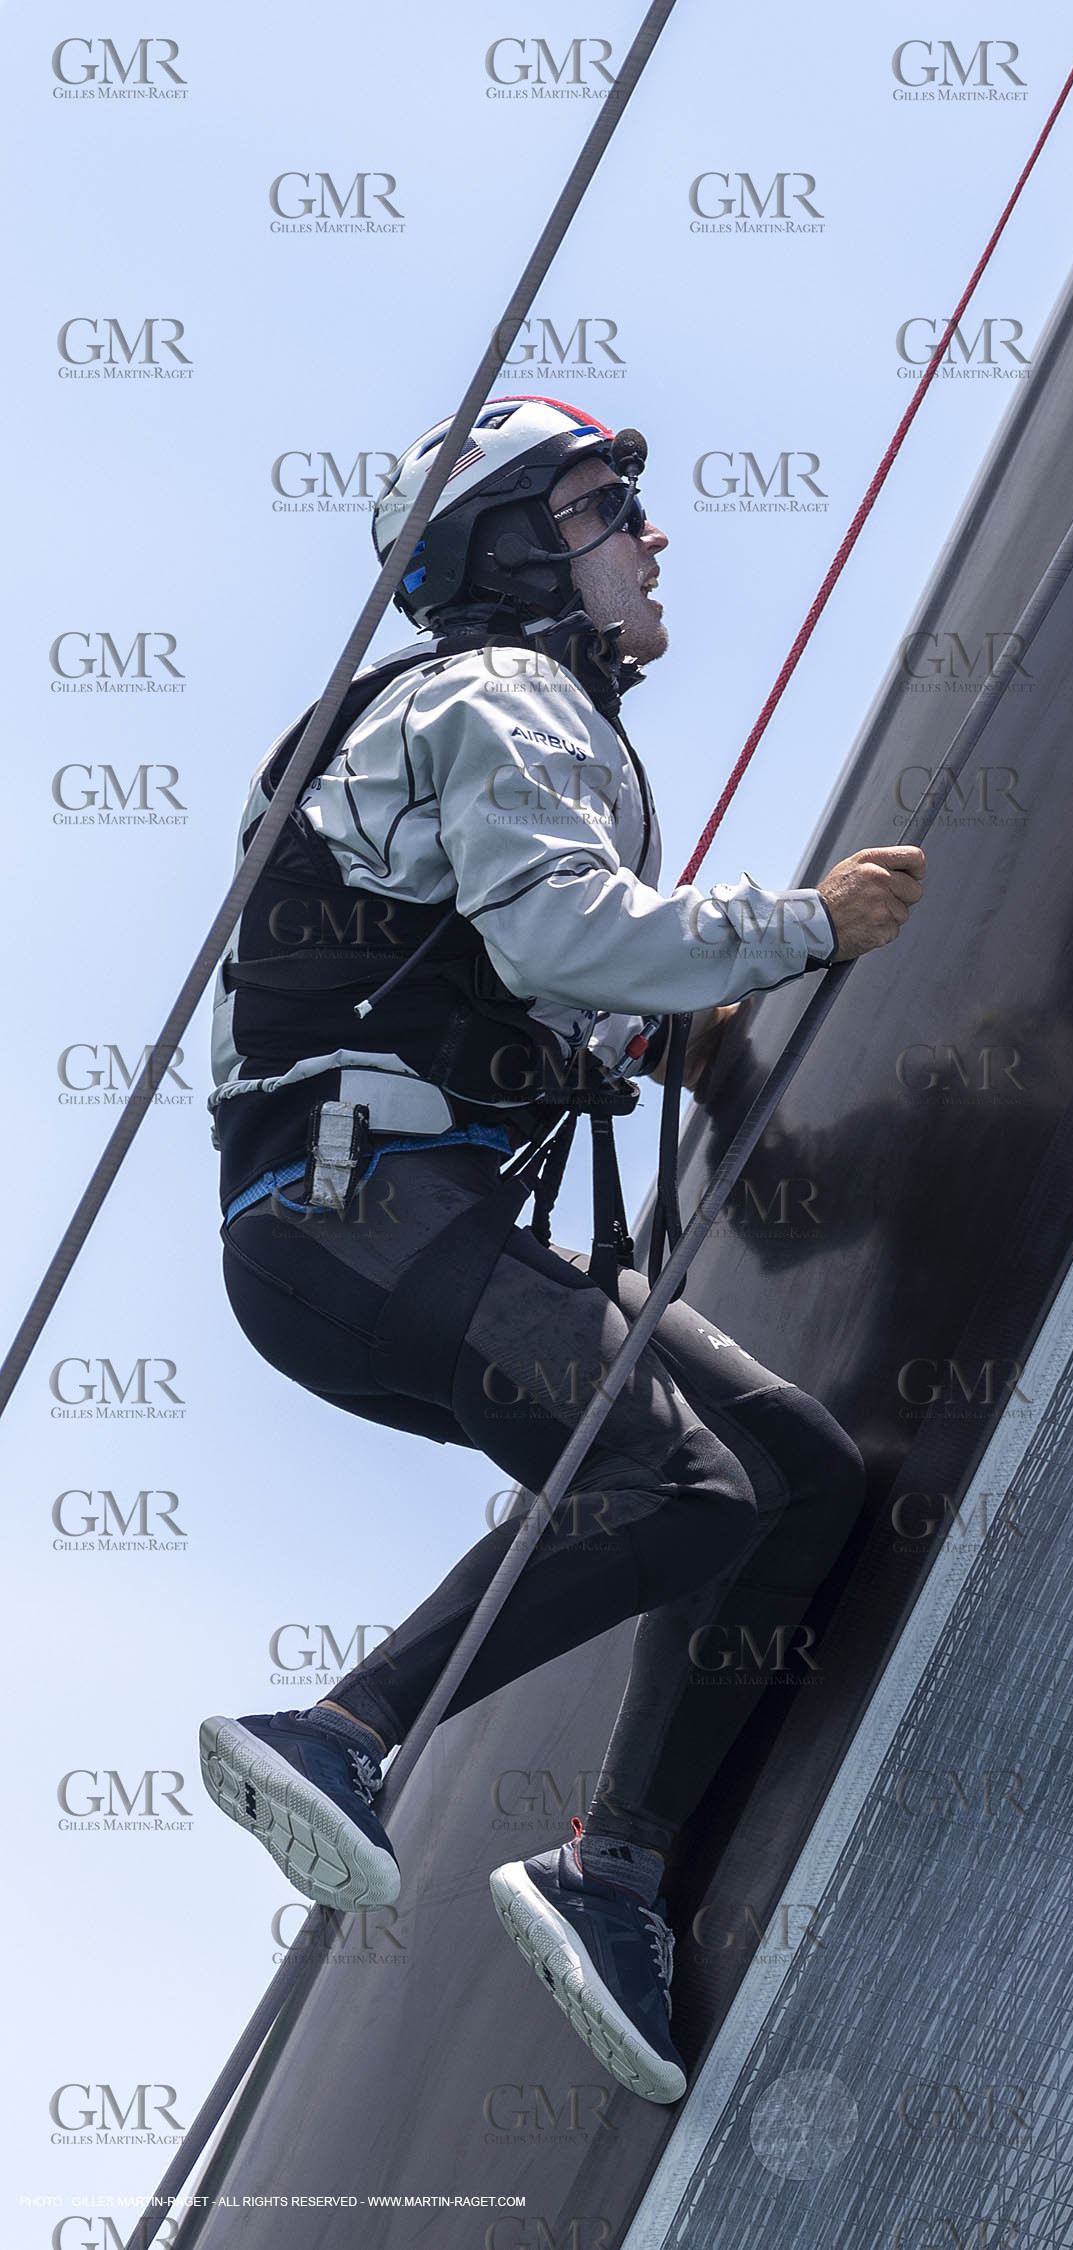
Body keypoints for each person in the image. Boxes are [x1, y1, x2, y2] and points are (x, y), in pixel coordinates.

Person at [198, 395, 925, 2104]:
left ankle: (614, 1875)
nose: (653, 536)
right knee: (683, 1491)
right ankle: (340, 1734)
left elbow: (519, 972)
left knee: (789, 1473)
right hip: (356, 1207)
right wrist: (805, 924)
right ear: (522, 547)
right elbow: (567, 927)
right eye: (611, 507)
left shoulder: (502, 726)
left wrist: (641, 1038)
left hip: (373, 1223)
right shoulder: (503, 697)